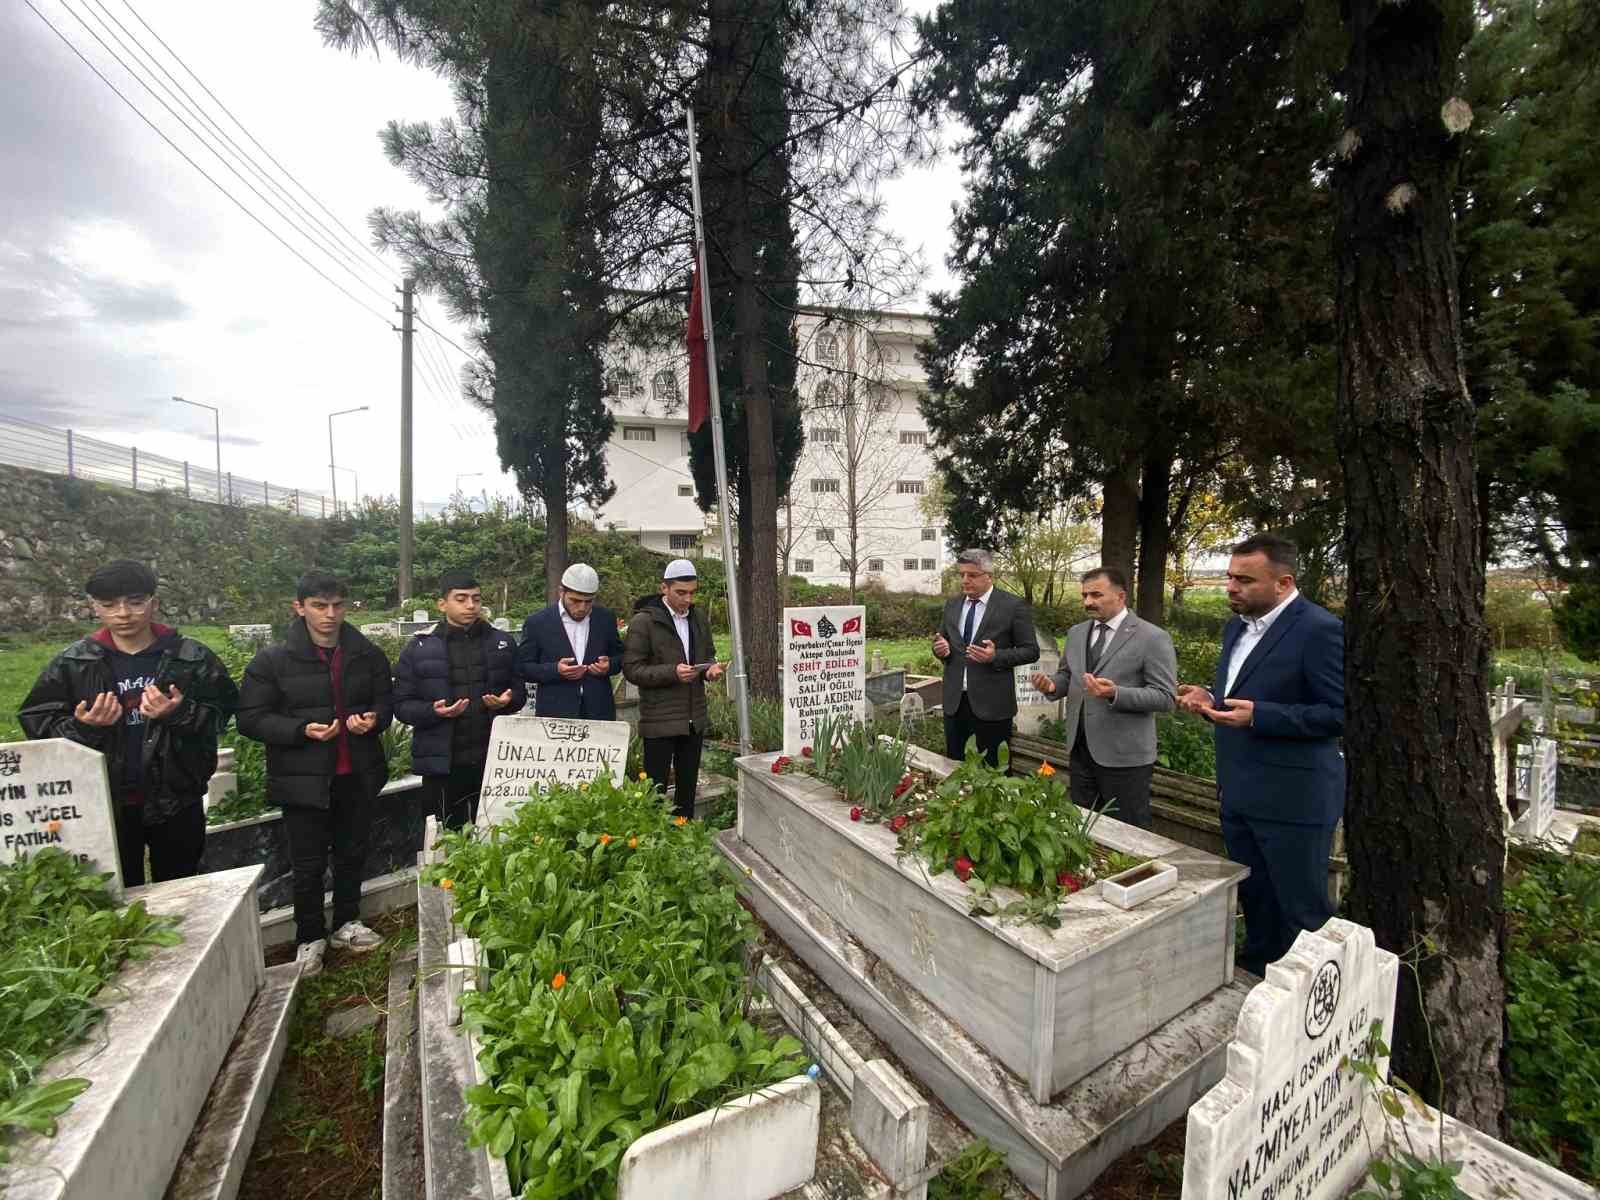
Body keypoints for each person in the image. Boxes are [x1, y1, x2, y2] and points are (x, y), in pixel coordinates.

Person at [1176, 533, 1344, 976]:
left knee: (1301, 910)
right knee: (1257, 898)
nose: (1231, 587)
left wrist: (1261, 717)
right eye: (1230, 577)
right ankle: (1256, 977)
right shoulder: (1237, 625)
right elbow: (1245, 694)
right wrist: (1210, 696)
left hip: (1293, 799)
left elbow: (1340, 714)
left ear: (1283, 583)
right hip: (1239, 790)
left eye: (1244, 580)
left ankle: (1310, 1002)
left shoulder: (1319, 629)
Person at [17, 560, 238, 886]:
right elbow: (38, 721)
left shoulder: (191, 657)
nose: (123, 613)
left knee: (183, 889)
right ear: (94, 607)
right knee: (116, 892)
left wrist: (178, 713)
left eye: (135, 602)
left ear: (154, 603)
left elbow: (223, 712)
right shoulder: (75, 662)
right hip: (104, 800)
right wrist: (84, 728)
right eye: (109, 605)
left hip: (177, 797)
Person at [236, 571, 394, 976]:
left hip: (356, 772)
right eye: (319, 606)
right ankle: (309, 937)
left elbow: (384, 705)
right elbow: (251, 718)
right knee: (306, 864)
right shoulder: (272, 661)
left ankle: (347, 922)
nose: (330, 615)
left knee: (352, 852)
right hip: (303, 778)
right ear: (299, 607)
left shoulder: (367, 655)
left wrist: (372, 721)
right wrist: (299, 730)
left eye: (338, 606)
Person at [1029, 567, 1175, 828]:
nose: (1088, 602)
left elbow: (1165, 697)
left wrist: (1115, 693)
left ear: (1121, 596)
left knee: (1127, 831)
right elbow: (1067, 676)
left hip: (1124, 756)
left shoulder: (1152, 637)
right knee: (1082, 826)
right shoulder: (1076, 633)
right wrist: (1052, 686)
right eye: (1085, 595)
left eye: (1096, 594)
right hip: (1080, 749)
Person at [394, 569, 525, 831]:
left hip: (492, 760)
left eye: (476, 599)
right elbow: (401, 705)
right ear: (442, 604)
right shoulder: (419, 648)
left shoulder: (502, 642)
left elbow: (518, 693)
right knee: (445, 839)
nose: (471, 605)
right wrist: (433, 711)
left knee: (493, 837)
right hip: (442, 764)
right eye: (461, 598)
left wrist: (506, 702)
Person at [623, 558, 724, 818]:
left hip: (694, 717)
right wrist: (672, 672)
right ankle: (654, 845)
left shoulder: (698, 617)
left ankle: (684, 834)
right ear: (664, 589)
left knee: (687, 787)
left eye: (692, 593)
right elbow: (632, 669)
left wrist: (710, 670)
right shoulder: (644, 622)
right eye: (681, 592)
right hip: (660, 719)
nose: (687, 599)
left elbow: (708, 654)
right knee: (655, 789)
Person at [932, 548, 1039, 766]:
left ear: (988, 576)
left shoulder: (1013, 606)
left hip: (992, 706)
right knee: (955, 769)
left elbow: (1031, 650)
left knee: (993, 772)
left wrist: (995, 656)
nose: (964, 580)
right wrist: (940, 649)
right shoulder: (952, 605)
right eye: (961, 574)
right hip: (955, 703)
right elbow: (941, 642)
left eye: (971, 575)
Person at [516, 562, 626, 719]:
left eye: (588, 602)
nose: (582, 607)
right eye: (575, 601)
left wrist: (609, 666)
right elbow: (523, 667)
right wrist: (556, 670)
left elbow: (621, 657)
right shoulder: (537, 623)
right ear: (561, 592)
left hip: (599, 712)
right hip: (555, 714)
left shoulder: (605, 619)